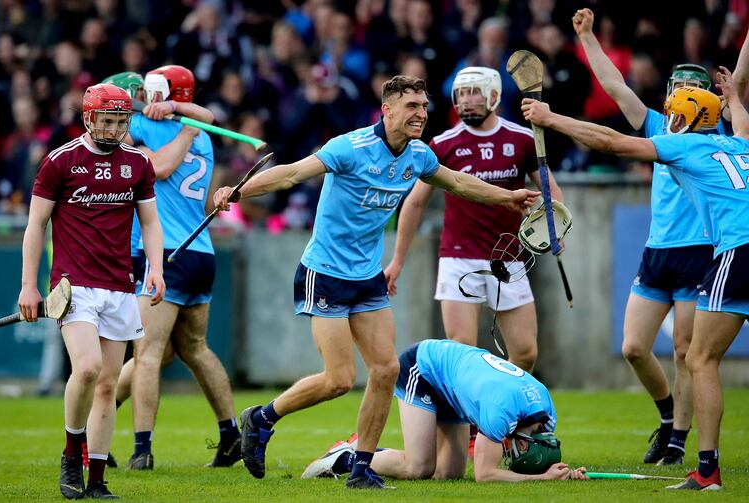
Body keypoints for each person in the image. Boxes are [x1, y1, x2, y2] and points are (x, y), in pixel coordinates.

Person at [211, 75, 539, 489]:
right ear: (386, 110)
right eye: (411, 107)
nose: (421, 114)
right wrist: (237, 192)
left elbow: (456, 182)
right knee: (339, 380)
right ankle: (261, 417)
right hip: (325, 273)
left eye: (424, 106)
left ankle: (362, 468)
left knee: (385, 370)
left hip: (368, 277)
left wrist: (506, 196)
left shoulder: (418, 154)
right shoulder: (349, 147)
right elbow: (292, 174)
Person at [521, 69, 749, 491]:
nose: (670, 119)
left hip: (739, 249)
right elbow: (743, 124)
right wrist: (735, 98)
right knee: (692, 356)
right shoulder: (737, 144)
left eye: (675, 114)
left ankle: (708, 471)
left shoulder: (685, 145)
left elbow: (609, 142)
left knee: (700, 359)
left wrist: (552, 119)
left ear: (689, 120)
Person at [573, 8, 724, 466]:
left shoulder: (722, 136)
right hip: (657, 252)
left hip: (700, 252)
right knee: (634, 347)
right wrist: (587, 38)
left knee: (684, 348)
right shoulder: (659, 126)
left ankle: (679, 440)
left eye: (688, 88)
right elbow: (615, 86)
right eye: (674, 87)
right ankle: (665, 416)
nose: (678, 94)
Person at [18, 83, 165, 499]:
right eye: (107, 120)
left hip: (119, 286)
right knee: (86, 369)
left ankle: (97, 480)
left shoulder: (138, 163)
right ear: (88, 118)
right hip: (72, 285)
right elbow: (35, 226)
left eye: (122, 121)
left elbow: (151, 223)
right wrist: (30, 286)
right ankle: (71, 454)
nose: (115, 128)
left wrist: (155, 268)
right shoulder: (59, 161)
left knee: (107, 383)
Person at [385, 67, 563, 374]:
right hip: (458, 257)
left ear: (494, 95)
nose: (466, 101)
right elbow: (414, 203)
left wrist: (556, 229)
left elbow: (551, 192)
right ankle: (469, 422)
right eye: (461, 94)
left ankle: (499, 414)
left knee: (525, 353)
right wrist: (397, 261)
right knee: (462, 351)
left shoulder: (521, 139)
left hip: (509, 258)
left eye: (474, 92)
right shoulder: (443, 144)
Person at [122, 65, 241, 470]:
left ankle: (142, 450)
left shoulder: (145, 126)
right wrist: (184, 117)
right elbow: (208, 116)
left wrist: (169, 115)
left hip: (165, 252)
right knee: (194, 348)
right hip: (200, 251)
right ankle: (230, 436)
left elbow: (157, 169)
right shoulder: (204, 137)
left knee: (148, 353)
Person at [302, 339, 590, 484]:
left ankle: (371, 451)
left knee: (448, 473)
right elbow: (485, 474)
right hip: (423, 368)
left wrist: (563, 473)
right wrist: (541, 479)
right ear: (525, 441)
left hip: (453, 383)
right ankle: (347, 456)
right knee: (419, 468)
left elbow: (538, 452)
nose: (513, 453)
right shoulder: (502, 411)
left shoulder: (545, 411)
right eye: (521, 450)